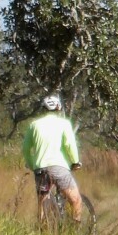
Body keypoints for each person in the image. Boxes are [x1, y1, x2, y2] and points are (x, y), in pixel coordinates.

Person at [22, 94, 83, 224]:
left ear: (43, 109)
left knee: (42, 202)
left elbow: (26, 149)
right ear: (59, 108)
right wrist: (75, 161)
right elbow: (70, 145)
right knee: (76, 200)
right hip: (59, 167)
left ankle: (42, 232)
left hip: (40, 168)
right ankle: (75, 232)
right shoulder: (64, 124)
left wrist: (33, 165)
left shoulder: (34, 125)